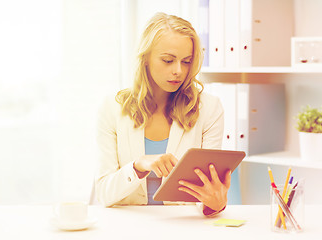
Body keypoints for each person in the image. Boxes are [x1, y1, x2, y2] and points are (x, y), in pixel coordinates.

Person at [95, 12, 231, 216]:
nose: (178, 70)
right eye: (168, 60)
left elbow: (207, 197)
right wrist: (138, 166)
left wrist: (216, 203)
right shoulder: (112, 107)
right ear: (146, 59)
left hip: (182, 227)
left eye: (186, 61)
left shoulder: (209, 108)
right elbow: (104, 194)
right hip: (128, 225)